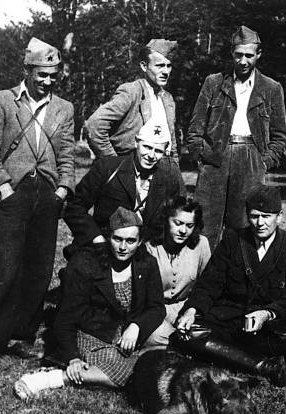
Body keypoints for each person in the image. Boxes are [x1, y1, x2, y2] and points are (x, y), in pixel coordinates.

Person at [0, 37, 75, 366]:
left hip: (47, 195)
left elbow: (67, 156)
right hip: (11, 194)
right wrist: (3, 189)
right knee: (3, 268)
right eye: (41, 74)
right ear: (27, 71)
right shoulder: (1, 101)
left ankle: (21, 335)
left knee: (38, 270)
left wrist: (62, 191)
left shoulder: (64, 108)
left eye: (53, 75)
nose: (47, 81)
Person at [14, 207, 165, 400]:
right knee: (127, 374)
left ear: (140, 241)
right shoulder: (86, 263)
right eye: (117, 239)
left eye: (130, 241)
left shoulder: (147, 263)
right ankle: (53, 378)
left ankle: (103, 369)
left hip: (126, 331)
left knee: (166, 343)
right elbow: (66, 317)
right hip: (90, 332)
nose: (123, 247)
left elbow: (157, 307)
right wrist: (73, 357)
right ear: (108, 237)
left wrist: (137, 326)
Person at [173, 186, 286, 387]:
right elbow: (209, 284)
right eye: (254, 216)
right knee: (188, 333)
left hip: (268, 325)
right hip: (230, 320)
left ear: (280, 217)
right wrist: (192, 310)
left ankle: (225, 353)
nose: (260, 223)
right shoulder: (231, 240)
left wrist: (267, 314)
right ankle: (264, 365)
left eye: (267, 216)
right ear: (247, 215)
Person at [186, 25, 286, 250]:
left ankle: (238, 281)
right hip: (215, 160)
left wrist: (264, 162)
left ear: (258, 55)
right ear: (232, 53)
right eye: (239, 55)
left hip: (251, 159)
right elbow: (194, 129)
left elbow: (280, 136)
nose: (243, 61)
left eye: (249, 56)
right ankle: (202, 280)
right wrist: (202, 156)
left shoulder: (271, 88)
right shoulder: (214, 83)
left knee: (243, 226)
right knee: (204, 225)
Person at [64, 118, 185, 250]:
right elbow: (74, 207)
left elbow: (174, 218)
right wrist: (96, 238)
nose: (151, 155)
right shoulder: (107, 167)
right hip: (105, 245)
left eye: (158, 151)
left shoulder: (168, 178)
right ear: (136, 142)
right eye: (147, 147)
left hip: (145, 251)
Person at [85, 39, 179, 161]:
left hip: (162, 169)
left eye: (169, 66)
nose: (165, 72)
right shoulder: (131, 92)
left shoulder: (168, 99)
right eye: (159, 66)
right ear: (144, 66)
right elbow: (94, 126)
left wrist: (174, 170)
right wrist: (113, 162)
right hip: (131, 168)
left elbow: (172, 143)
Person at [144, 197, 211, 346]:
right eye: (178, 223)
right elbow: (147, 298)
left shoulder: (201, 244)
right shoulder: (149, 248)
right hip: (156, 312)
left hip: (188, 310)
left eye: (189, 225)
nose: (183, 231)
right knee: (158, 336)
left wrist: (191, 312)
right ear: (165, 221)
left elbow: (207, 285)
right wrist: (174, 318)